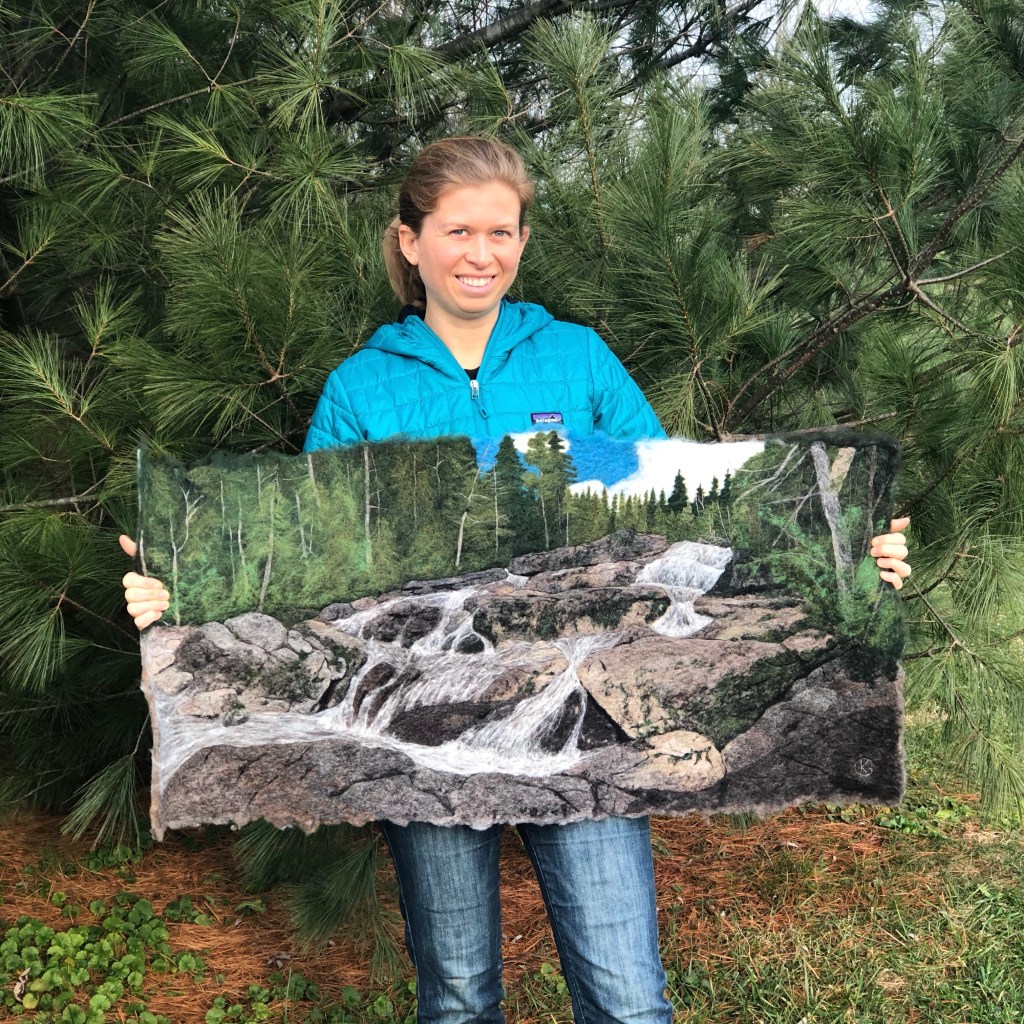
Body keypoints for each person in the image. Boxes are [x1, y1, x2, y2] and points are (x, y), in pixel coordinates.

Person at [121, 136, 912, 1024]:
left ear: (524, 242)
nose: (481, 253)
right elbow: (313, 558)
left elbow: (688, 502)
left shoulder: (575, 359)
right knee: (457, 994)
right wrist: (182, 594)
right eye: (458, 231)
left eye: (502, 232)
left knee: (626, 995)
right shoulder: (361, 388)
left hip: (585, 711)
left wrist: (850, 558)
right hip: (432, 697)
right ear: (410, 242)